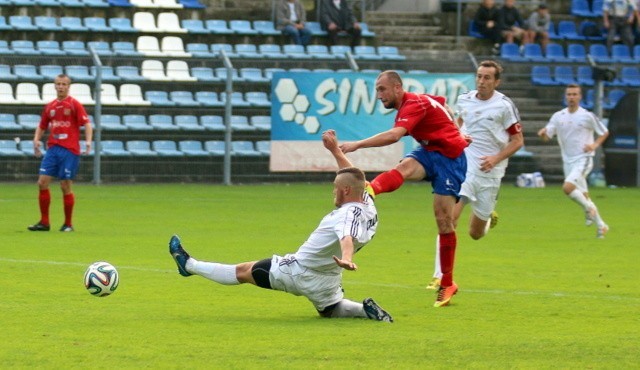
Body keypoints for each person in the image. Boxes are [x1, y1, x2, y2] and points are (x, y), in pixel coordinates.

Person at [168, 129, 393, 322]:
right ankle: (364, 311)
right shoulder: (367, 202)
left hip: (299, 271)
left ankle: (188, 265)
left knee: (245, 271)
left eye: (335, 187)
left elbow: (347, 237)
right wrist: (336, 151)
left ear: (345, 191)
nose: (333, 190)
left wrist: (348, 259)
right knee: (330, 310)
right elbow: (354, 178)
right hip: (328, 276)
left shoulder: (346, 215)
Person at [339, 71, 469, 308]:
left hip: (451, 158)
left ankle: (448, 283)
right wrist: (455, 127)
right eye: (377, 89)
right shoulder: (420, 100)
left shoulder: (412, 105)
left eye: (382, 89)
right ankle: (371, 191)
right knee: (405, 167)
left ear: (397, 88)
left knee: (444, 221)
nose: (378, 95)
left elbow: (394, 136)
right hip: (430, 151)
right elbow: (442, 103)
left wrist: (358, 144)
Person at [427, 60, 524, 290]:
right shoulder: (465, 99)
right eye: (479, 76)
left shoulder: (504, 106)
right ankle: (440, 276)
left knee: (475, 233)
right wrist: (455, 136)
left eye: (487, 78)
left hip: (491, 172)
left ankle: (488, 217)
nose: (481, 81)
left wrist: (495, 159)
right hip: (465, 165)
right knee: (448, 219)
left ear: (496, 81)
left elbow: (518, 141)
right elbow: (459, 123)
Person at [537, 84, 610, 238]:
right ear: (566, 96)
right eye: (569, 94)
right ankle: (601, 226)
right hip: (567, 161)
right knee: (584, 196)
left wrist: (594, 145)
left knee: (567, 188)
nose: (571, 97)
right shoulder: (558, 116)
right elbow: (547, 136)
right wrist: (542, 134)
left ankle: (588, 209)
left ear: (580, 97)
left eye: (574, 94)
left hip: (583, 159)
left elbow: (604, 132)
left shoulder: (587, 116)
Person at [27, 74, 92, 232]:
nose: (61, 86)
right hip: (53, 149)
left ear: (68, 87)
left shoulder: (74, 104)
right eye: (58, 84)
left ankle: (68, 224)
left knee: (65, 185)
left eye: (64, 84)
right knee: (42, 183)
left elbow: (87, 124)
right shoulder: (50, 106)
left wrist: (88, 141)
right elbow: (42, 125)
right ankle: (44, 222)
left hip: (69, 150)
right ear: (54, 86)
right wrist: (36, 140)